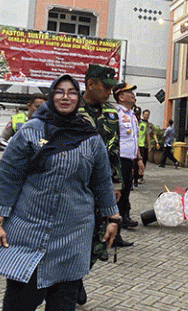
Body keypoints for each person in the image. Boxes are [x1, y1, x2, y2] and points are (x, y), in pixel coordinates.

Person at [0, 74, 120, 311]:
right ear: (51, 95)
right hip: (29, 231)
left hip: (73, 235)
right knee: (19, 304)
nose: (65, 97)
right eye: (59, 91)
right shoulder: (31, 131)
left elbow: (101, 180)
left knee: (63, 304)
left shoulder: (90, 137)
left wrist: (113, 217)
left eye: (72, 92)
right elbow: (9, 175)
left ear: (78, 98)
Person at [77, 64, 132, 246]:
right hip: (76, 182)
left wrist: (116, 183)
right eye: (105, 86)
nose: (109, 91)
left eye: (111, 87)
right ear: (90, 84)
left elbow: (114, 147)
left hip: (102, 182)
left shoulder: (110, 112)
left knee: (99, 235)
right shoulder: (73, 110)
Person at [112, 82, 145, 229]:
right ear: (120, 97)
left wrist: (139, 159)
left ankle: (124, 217)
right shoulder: (115, 114)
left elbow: (135, 139)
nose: (133, 94)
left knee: (126, 189)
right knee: (120, 189)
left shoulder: (133, 115)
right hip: (119, 159)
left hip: (130, 159)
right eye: (129, 92)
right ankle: (119, 219)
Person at [137, 109, 159, 183]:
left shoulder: (150, 125)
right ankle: (136, 176)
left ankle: (141, 176)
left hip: (146, 146)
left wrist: (157, 142)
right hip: (138, 145)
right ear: (142, 115)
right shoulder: (138, 123)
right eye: (145, 114)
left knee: (144, 161)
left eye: (148, 115)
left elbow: (154, 134)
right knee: (138, 161)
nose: (146, 116)